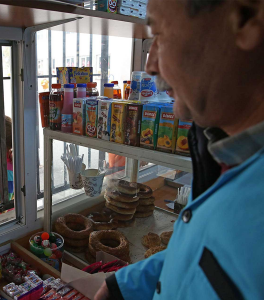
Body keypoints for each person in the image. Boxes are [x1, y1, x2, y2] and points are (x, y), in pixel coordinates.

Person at [95, 0, 264, 299]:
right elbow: (200, 254)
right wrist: (122, 286)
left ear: (246, 19)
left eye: (160, 34)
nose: (150, 64)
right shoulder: (220, 151)